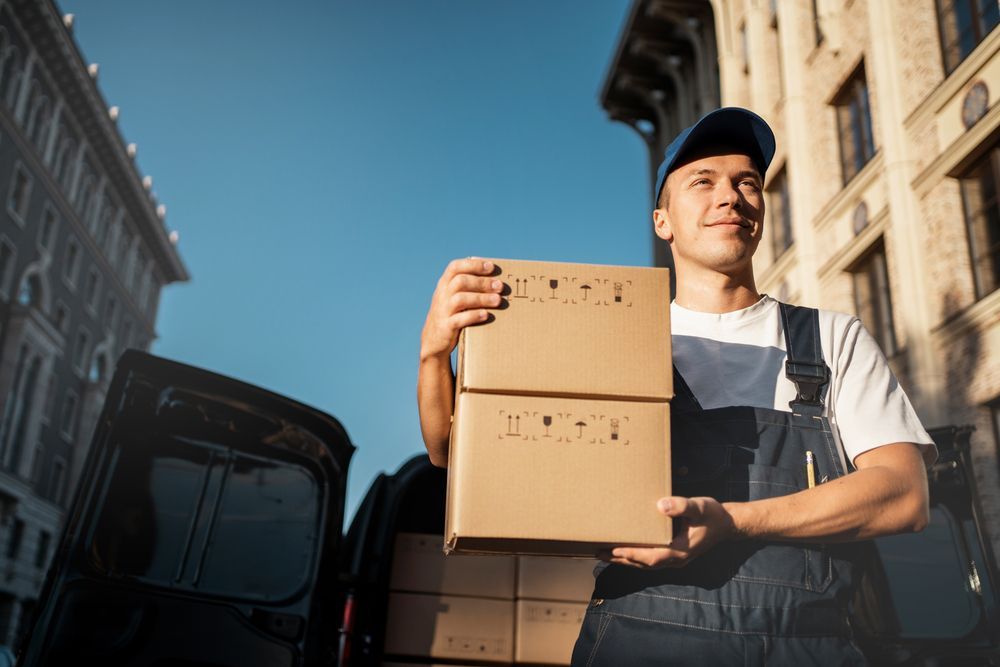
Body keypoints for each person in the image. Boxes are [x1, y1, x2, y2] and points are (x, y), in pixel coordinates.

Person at [417, 107, 935, 665]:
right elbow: (453, 454)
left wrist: (732, 521)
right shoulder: (610, 338)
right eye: (703, 181)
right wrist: (433, 355)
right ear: (661, 220)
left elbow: (904, 495)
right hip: (641, 638)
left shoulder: (832, 338)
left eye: (747, 183)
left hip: (806, 644)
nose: (731, 196)